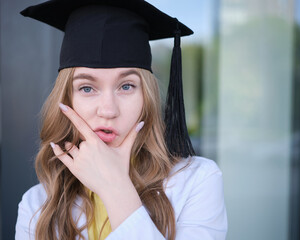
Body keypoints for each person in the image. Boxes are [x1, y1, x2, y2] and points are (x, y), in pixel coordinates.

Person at [15, 0, 228, 239]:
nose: (108, 110)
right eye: (87, 88)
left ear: (146, 98)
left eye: (126, 86)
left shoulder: (197, 182)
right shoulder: (37, 207)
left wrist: (114, 187)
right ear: (67, 99)